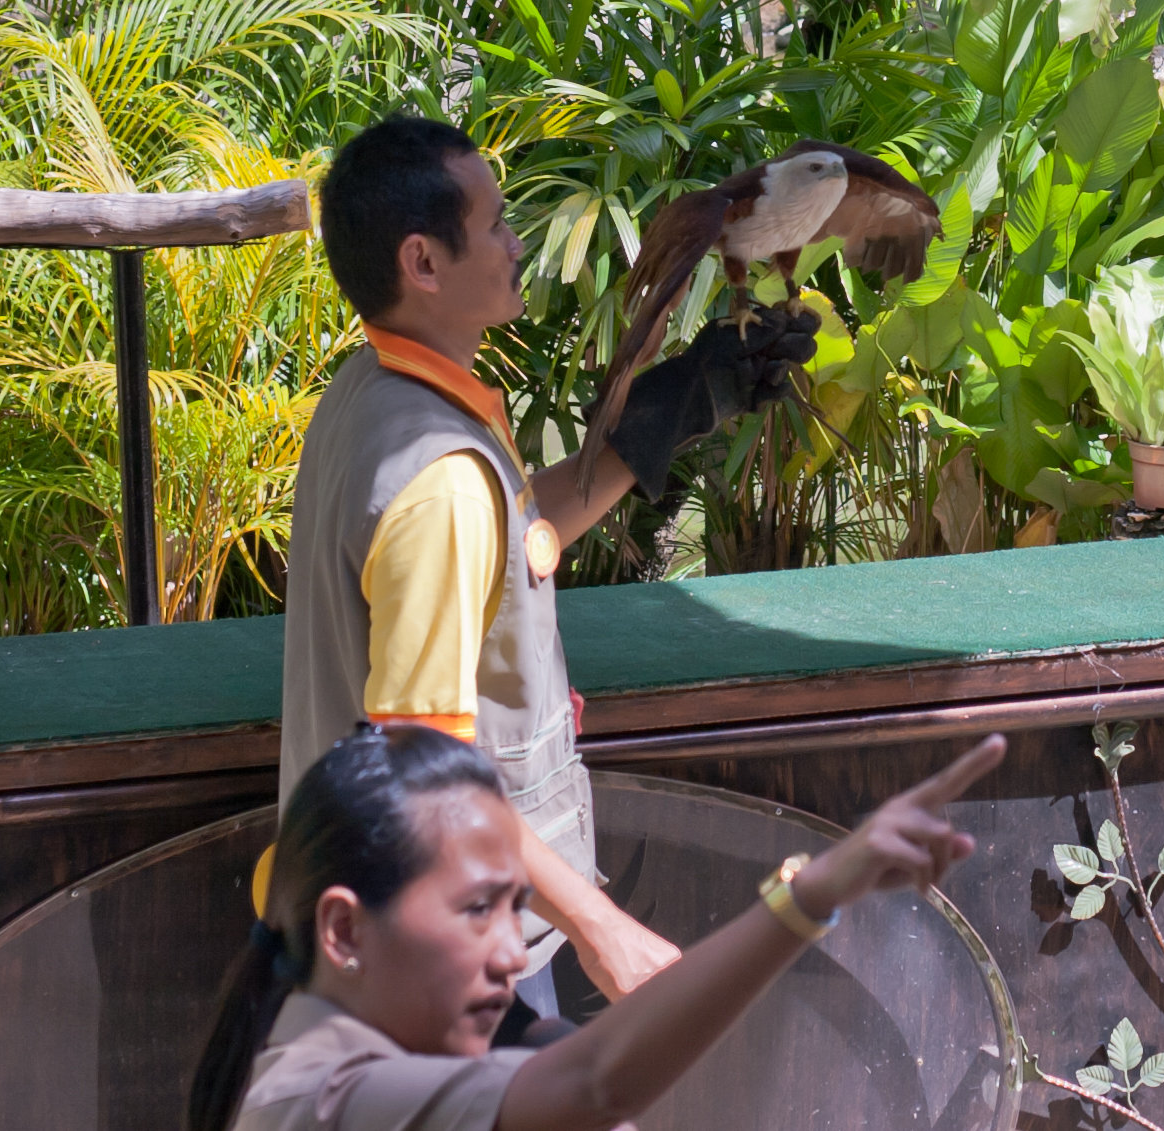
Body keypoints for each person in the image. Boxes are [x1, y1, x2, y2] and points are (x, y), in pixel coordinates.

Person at [279, 114, 821, 1026]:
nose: (517, 241)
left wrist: (670, 413)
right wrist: (603, 926)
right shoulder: (439, 480)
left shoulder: (376, 395)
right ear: (423, 262)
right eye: (494, 224)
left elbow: (519, 535)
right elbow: (429, 772)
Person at [188, 724, 1005, 1131]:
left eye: (519, 905)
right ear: (344, 930)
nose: (511, 954)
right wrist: (813, 892)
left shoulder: (337, 1044)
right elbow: (594, 1082)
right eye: (477, 910)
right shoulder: (323, 1098)